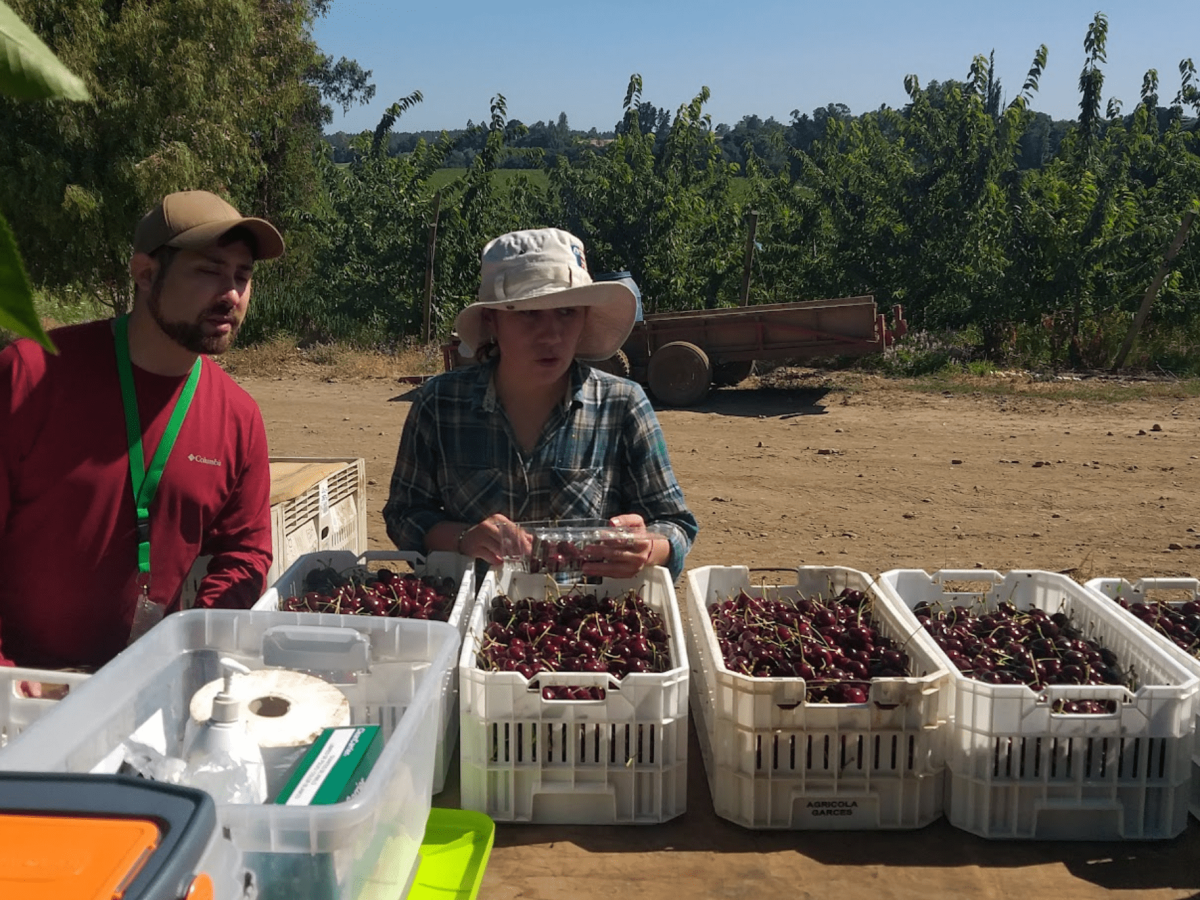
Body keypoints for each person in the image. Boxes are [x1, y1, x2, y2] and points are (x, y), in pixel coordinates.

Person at [0, 190, 285, 675]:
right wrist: (10, 674)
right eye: (209, 270)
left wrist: (196, 646)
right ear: (146, 273)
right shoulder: (31, 375)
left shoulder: (238, 417)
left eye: (243, 275)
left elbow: (246, 551)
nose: (232, 293)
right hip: (18, 694)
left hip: (147, 691)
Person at [384, 227, 698, 580]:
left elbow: (676, 525)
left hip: (585, 618)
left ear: (584, 318)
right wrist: (463, 538)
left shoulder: (622, 405)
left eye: (566, 312)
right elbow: (404, 514)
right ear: (493, 320)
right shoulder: (439, 405)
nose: (550, 335)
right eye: (528, 313)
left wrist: (648, 548)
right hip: (470, 610)